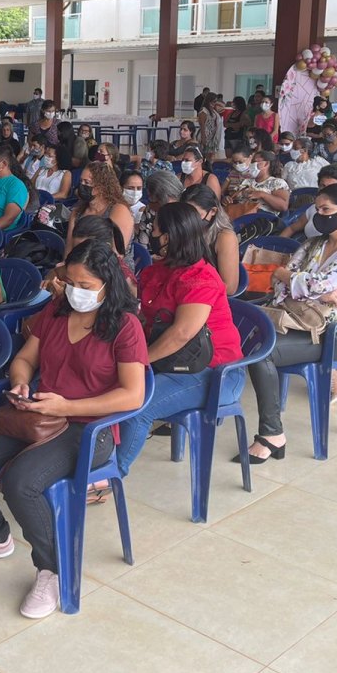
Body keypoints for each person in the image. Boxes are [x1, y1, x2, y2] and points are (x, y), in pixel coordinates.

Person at [0, 238, 145, 618]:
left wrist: (68, 406)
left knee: (22, 482)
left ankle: (52, 568)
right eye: (70, 283)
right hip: (41, 415)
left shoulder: (125, 326)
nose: (75, 292)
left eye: (85, 287)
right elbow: (24, 359)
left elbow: (132, 396)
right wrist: (21, 383)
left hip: (90, 429)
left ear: (107, 284)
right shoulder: (55, 311)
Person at [242, 184, 337, 462]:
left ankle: (272, 434)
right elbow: (278, 284)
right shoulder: (315, 243)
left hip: (333, 333)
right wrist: (313, 288)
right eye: (317, 209)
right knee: (241, 340)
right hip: (294, 321)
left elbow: (299, 279)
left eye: (326, 210)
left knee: (260, 353)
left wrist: (299, 281)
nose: (319, 215)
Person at [115, 203, 243, 474]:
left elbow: (181, 334)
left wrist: (138, 362)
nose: (150, 234)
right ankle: (92, 460)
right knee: (104, 382)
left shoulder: (201, 278)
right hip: (173, 362)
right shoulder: (158, 270)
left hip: (215, 372)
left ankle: (110, 476)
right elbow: (141, 314)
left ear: (172, 236)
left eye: (156, 230)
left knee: (136, 404)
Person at [180, 184, 240, 295]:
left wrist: (190, 286)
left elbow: (230, 287)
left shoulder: (225, 237)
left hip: (209, 296)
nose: (191, 220)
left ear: (213, 211)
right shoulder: (185, 229)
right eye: (187, 214)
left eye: (196, 215)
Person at [66, 161, 135, 253]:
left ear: (101, 186)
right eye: (81, 181)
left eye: (87, 182)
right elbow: (68, 251)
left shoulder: (118, 210)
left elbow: (116, 253)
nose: (82, 186)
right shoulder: (77, 212)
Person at [223, 149, 289, 214]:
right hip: (240, 213)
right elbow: (234, 198)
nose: (251, 164)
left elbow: (283, 206)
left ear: (266, 164)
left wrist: (262, 195)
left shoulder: (277, 182)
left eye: (254, 162)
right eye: (252, 162)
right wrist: (228, 199)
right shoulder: (246, 181)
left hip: (260, 218)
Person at [133, 170, 183, 249]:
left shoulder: (186, 214)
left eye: (152, 199)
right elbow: (142, 244)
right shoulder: (150, 212)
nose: (149, 202)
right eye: (149, 197)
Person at [197, 91, 225, 160]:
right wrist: (203, 138)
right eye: (214, 101)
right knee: (203, 155)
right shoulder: (204, 111)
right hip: (205, 135)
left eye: (216, 101)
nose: (215, 103)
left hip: (212, 136)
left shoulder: (212, 110)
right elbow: (202, 125)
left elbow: (222, 108)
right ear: (209, 101)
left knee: (210, 156)